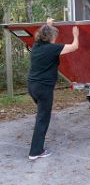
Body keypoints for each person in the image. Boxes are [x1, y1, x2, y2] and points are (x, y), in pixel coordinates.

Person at [27, 18, 79, 160]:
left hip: (32, 86)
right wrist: (76, 35)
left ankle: (37, 145)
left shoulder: (36, 46)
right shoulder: (52, 49)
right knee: (43, 118)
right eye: (54, 36)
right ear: (50, 37)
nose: (56, 39)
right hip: (43, 88)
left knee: (41, 115)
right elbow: (74, 47)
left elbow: (45, 32)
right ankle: (36, 151)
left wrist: (48, 24)